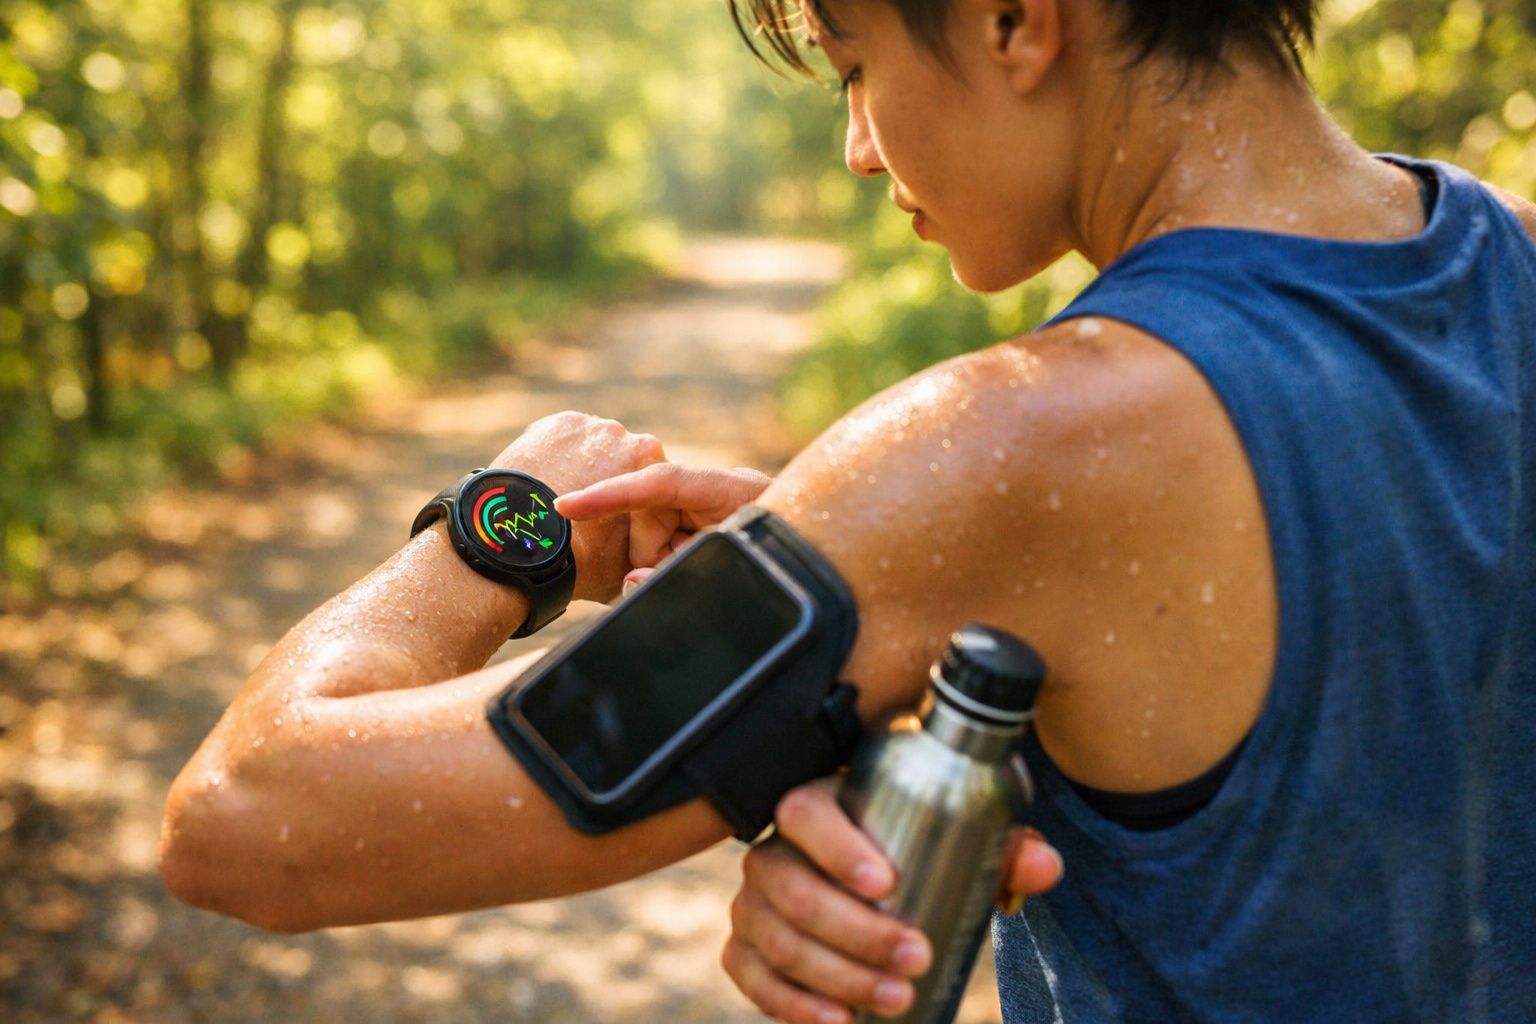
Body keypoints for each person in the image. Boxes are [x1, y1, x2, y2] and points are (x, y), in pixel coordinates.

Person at [159, 0, 1536, 1021]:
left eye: (857, 65)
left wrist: (500, 526)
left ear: (1014, 19)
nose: (858, 148)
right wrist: (886, 570)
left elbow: (247, 818)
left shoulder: (1022, 442)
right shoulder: (1507, 259)